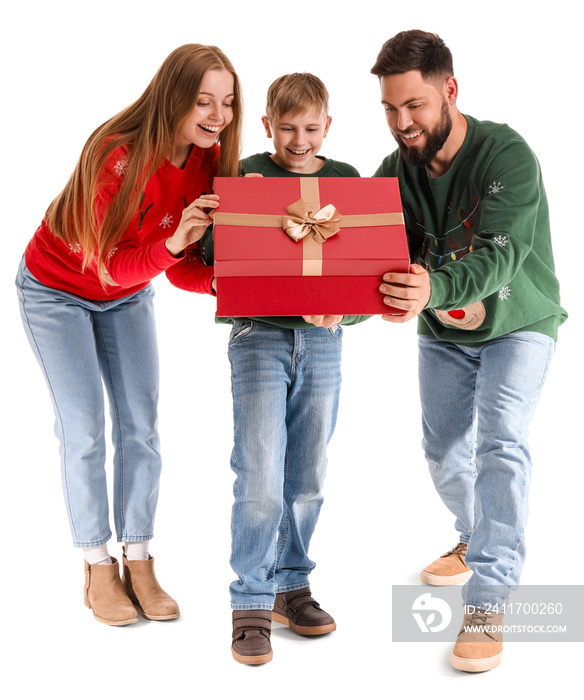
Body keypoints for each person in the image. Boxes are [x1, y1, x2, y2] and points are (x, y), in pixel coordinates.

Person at [16, 44, 242, 626]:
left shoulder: (207, 159)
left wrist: (230, 283)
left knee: (141, 425)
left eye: (227, 101)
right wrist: (170, 248)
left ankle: (138, 559)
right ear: (174, 97)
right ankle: (96, 567)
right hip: (58, 288)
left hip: (127, 294)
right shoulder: (115, 154)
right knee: (86, 425)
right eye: (203, 101)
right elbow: (113, 264)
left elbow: (181, 265)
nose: (218, 115)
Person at [371, 30, 567, 672]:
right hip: (445, 332)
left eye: (416, 106)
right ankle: (475, 533)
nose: (403, 123)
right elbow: (366, 260)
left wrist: (430, 285)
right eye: (391, 109)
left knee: (501, 441)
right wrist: (336, 311)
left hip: (519, 321)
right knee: (443, 448)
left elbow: (501, 254)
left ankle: (488, 603)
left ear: (449, 90)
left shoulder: (506, 153)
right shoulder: (393, 172)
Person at [167, 73, 367, 664]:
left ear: (327, 126)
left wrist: (342, 318)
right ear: (267, 127)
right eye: (287, 129)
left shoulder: (347, 182)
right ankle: (250, 600)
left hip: (324, 342)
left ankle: (291, 586)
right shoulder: (245, 172)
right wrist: (235, 212)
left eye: (310, 128)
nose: (299, 140)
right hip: (258, 335)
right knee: (258, 471)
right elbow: (209, 261)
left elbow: (365, 276)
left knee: (307, 474)